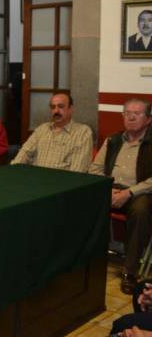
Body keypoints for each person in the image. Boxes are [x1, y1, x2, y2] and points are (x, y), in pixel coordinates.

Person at [89, 98, 152, 294]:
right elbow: (95, 169)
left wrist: (129, 192)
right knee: (82, 201)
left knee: (141, 211)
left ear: (148, 119)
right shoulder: (113, 140)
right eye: (127, 113)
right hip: (111, 189)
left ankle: (129, 272)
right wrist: (108, 189)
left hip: (139, 192)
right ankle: (86, 260)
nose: (131, 117)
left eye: (137, 113)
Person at [11, 92, 93, 172]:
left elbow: (77, 171)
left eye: (61, 106)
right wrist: (12, 171)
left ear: (71, 109)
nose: (56, 111)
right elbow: (24, 154)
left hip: (63, 180)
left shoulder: (82, 132)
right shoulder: (42, 129)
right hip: (36, 177)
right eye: (53, 107)